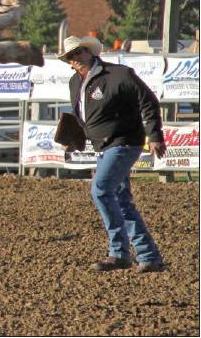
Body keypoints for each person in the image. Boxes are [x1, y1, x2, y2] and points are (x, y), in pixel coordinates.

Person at [59, 35, 167, 273]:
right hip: (104, 147)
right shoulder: (75, 82)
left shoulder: (119, 75)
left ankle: (119, 253)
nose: (75, 58)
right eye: (70, 56)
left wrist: (155, 135)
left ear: (90, 51)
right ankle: (149, 257)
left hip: (124, 142)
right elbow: (82, 117)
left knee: (100, 189)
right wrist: (72, 139)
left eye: (78, 52)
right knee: (120, 200)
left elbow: (147, 101)